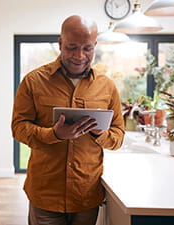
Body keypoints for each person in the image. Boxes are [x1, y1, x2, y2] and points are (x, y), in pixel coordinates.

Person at [11, 15, 125, 225]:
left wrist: (100, 133)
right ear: (61, 43)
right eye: (72, 47)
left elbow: (118, 138)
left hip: (86, 195)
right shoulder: (33, 81)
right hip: (45, 194)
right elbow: (18, 129)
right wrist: (54, 134)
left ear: (95, 46)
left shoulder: (107, 86)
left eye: (87, 48)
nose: (79, 55)